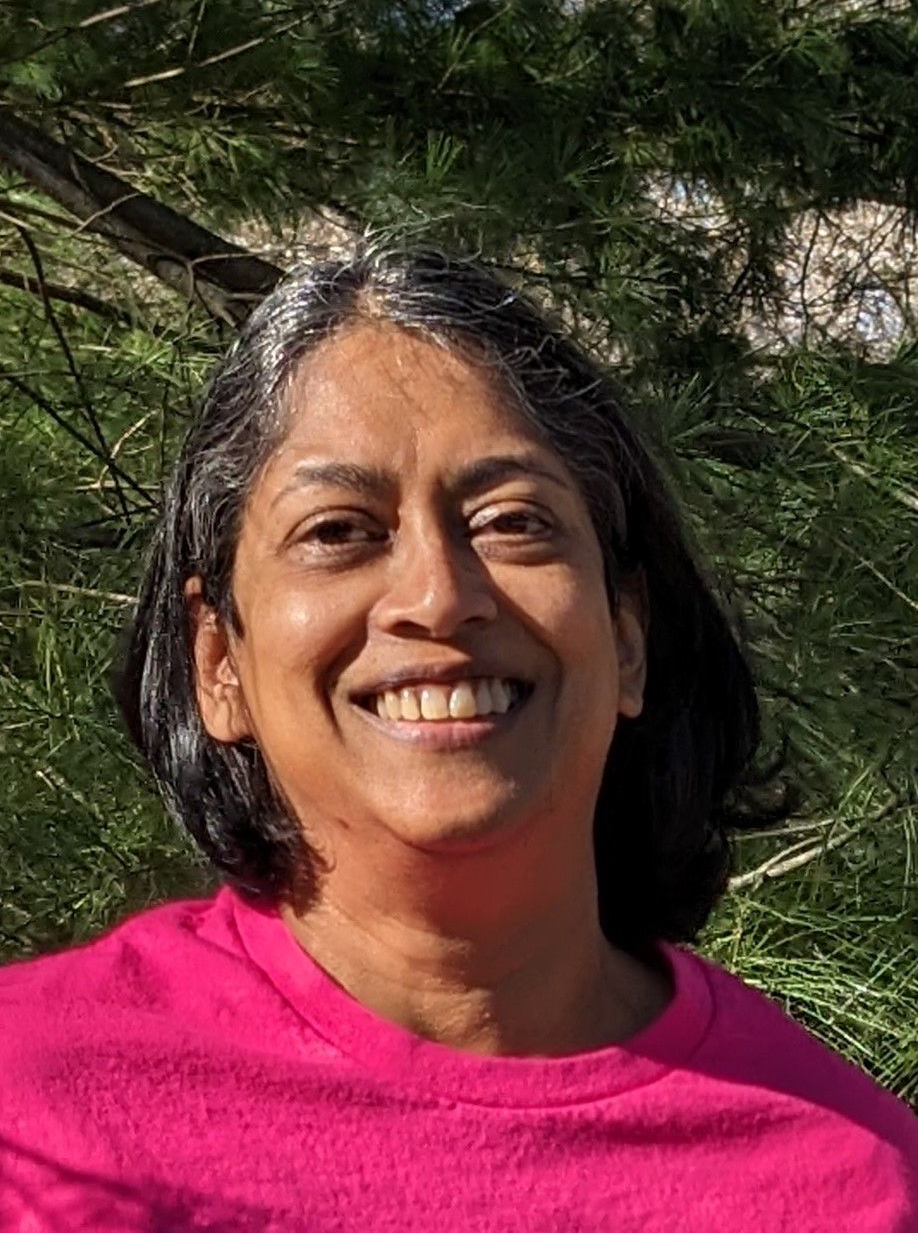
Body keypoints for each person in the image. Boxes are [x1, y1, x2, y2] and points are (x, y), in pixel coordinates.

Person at [0, 247, 914, 1232]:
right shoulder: (28, 1111)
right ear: (219, 661)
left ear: (630, 637)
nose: (438, 596)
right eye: (341, 531)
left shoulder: (850, 1180)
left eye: (513, 521)